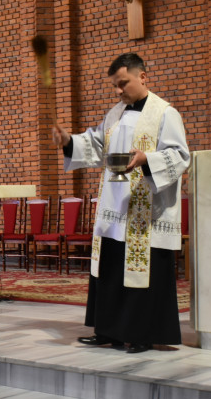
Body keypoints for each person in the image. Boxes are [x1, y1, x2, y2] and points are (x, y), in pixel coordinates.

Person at [52, 53, 189, 353]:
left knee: (142, 276)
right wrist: (69, 142)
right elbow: (97, 144)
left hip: (146, 212)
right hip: (114, 209)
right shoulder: (114, 114)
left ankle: (141, 334)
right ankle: (108, 332)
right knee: (110, 269)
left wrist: (146, 159)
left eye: (123, 83)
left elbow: (180, 156)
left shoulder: (166, 114)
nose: (118, 91)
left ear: (143, 77)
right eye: (115, 85)